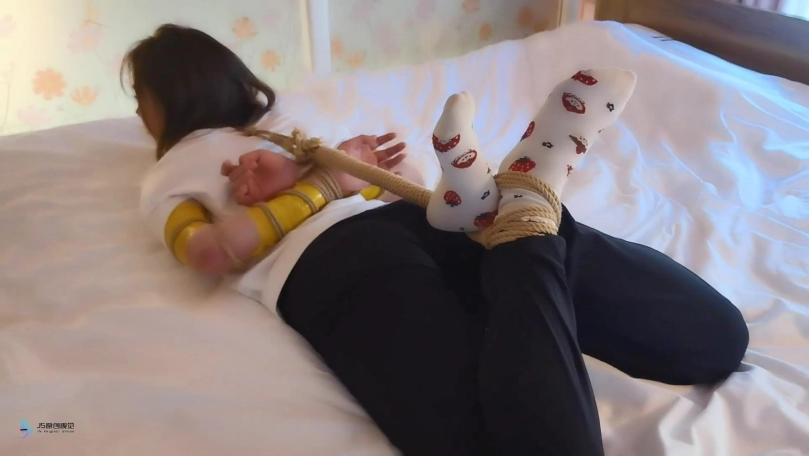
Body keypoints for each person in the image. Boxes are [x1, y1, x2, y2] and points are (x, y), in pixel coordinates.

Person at [132, 25, 749, 456]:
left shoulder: (178, 164)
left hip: (345, 258)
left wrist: (337, 179)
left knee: (714, 345)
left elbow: (208, 251)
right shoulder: (284, 131)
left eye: (140, 97)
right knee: (717, 339)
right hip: (428, 224)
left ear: (169, 95)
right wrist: (330, 180)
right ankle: (527, 206)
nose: (137, 114)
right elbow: (217, 249)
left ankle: (518, 221)